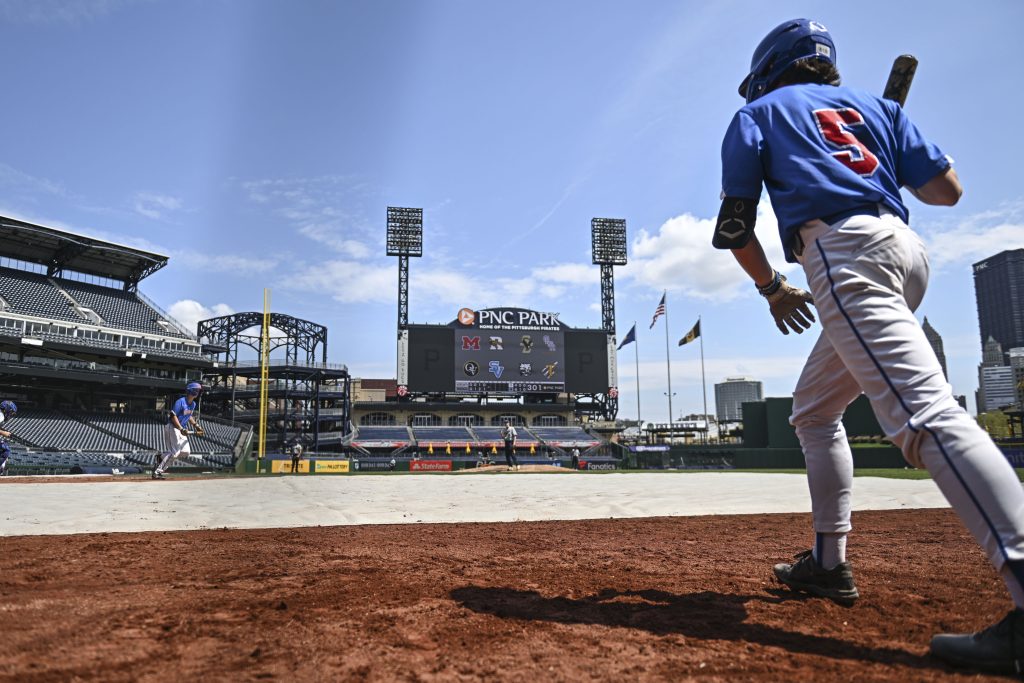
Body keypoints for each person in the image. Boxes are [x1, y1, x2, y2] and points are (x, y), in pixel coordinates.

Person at [717, 18, 1024, 673]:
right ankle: (829, 565)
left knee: (925, 416)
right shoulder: (877, 109)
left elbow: (736, 225)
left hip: (842, 255)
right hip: (906, 254)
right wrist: (884, 148)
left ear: (770, 70)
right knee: (814, 410)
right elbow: (947, 191)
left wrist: (773, 287)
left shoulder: (760, 113)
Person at [153, 382, 203, 480]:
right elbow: (172, 416)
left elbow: (189, 416)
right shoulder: (180, 401)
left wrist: (196, 425)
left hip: (181, 430)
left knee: (186, 452)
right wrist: (181, 429)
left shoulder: (193, 404)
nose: (198, 392)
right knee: (175, 453)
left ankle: (161, 457)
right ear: (192, 391)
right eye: (197, 390)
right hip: (173, 427)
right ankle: (157, 472)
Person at [0, 400, 16, 476]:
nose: (10, 414)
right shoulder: (0, 415)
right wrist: (4, 433)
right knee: (5, 449)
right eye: (11, 412)